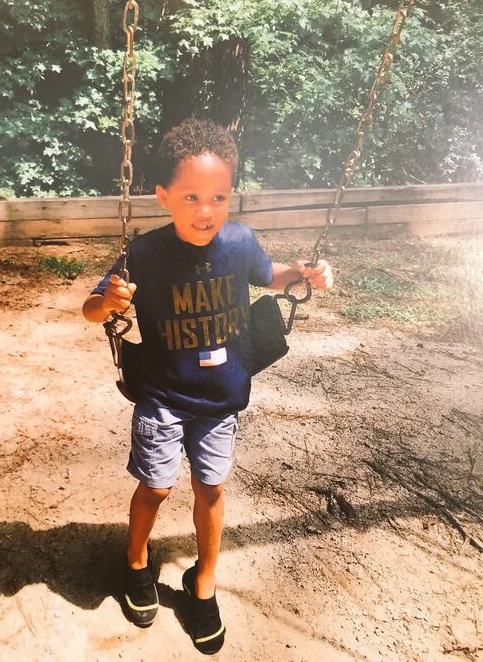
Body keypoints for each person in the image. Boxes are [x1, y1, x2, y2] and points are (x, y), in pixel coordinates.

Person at [82, 119, 333, 654]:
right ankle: (135, 562)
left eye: (218, 197)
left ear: (230, 197)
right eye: (192, 196)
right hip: (162, 394)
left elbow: (272, 274)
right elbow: (92, 305)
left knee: (211, 489)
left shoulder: (240, 242)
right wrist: (109, 303)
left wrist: (306, 273)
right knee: (155, 486)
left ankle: (204, 581)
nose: (205, 210)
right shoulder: (143, 253)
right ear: (164, 196)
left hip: (222, 399)